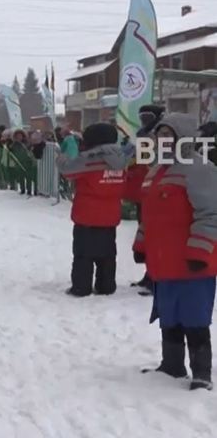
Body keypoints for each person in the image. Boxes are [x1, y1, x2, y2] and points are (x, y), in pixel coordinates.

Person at [133, 114, 217, 390]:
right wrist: (141, 244)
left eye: (168, 135)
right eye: (159, 135)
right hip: (164, 262)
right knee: (169, 315)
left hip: (193, 262)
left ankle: (202, 373)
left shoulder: (199, 168)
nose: (161, 140)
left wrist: (200, 250)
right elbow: (149, 214)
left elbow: (211, 214)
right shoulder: (157, 169)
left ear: (183, 138)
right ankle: (172, 365)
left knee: (194, 317)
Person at [57, 123, 127, 297]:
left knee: (83, 254)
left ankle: (81, 287)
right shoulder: (121, 160)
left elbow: (68, 171)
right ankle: (106, 285)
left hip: (87, 215)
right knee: (108, 254)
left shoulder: (89, 159)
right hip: (110, 215)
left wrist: (61, 158)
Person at [126, 105, 165, 294]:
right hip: (144, 190)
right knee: (145, 234)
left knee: (156, 235)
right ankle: (149, 273)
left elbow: (156, 161)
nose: (144, 121)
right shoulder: (142, 135)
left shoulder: (163, 134)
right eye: (142, 117)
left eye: (148, 117)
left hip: (158, 190)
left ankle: (156, 276)